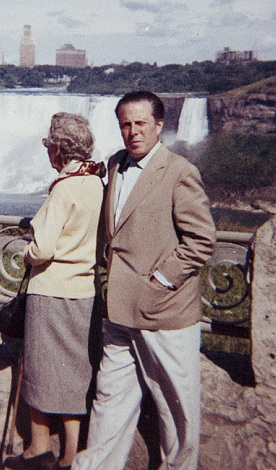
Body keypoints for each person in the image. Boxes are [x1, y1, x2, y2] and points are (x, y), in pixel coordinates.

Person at [72, 91, 216, 470]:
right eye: (125, 124)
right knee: (109, 400)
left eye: (140, 124)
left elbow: (201, 241)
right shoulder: (115, 164)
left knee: (177, 409)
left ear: (158, 125)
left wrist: (160, 281)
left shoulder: (180, 171)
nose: (132, 132)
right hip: (119, 310)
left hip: (164, 313)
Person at [4, 112, 105, 470]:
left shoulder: (64, 188)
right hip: (84, 291)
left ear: (59, 148)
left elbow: (43, 249)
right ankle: (71, 454)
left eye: (50, 146)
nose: (49, 152)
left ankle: (38, 449)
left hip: (51, 292)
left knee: (41, 369)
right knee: (76, 371)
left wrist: (27, 251)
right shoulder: (96, 183)